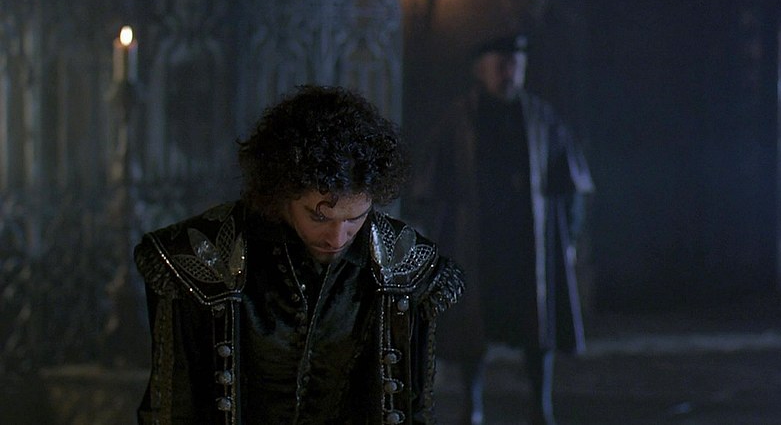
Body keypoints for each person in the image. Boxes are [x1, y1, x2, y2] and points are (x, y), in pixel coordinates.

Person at [134, 85, 465, 424]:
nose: (337, 237)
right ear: (282, 193)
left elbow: (414, 409)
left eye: (355, 219)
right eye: (319, 217)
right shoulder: (203, 255)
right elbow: (172, 407)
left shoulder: (405, 267)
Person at [406, 34, 594, 425]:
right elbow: (431, 187)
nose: (509, 73)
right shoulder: (459, 120)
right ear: (482, 71)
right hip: (477, 240)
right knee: (471, 324)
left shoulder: (541, 118)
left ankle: (540, 406)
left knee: (538, 325)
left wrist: (571, 236)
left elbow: (571, 184)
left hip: (530, 241)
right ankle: (471, 405)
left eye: (515, 66)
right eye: (501, 66)